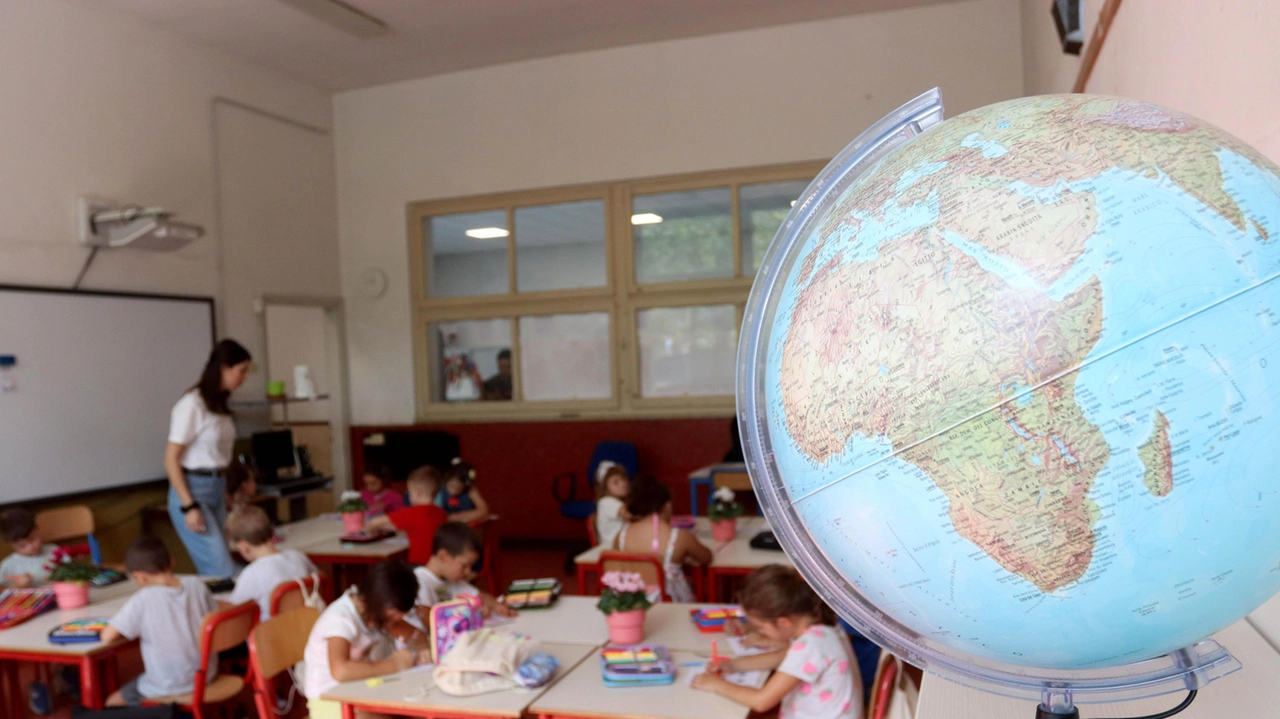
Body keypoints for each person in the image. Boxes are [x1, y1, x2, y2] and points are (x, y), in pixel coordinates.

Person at [692, 564, 862, 719]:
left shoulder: (812, 644)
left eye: (761, 627)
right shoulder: (819, 625)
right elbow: (782, 657)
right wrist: (733, 665)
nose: (760, 632)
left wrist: (717, 685)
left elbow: (761, 701)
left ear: (783, 623)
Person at [165, 339, 251, 578]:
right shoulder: (192, 404)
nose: (244, 378)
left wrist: (229, 493)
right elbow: (171, 460)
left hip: (217, 489)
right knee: (220, 570)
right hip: (193, 492)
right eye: (241, 371)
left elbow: (218, 457)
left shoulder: (220, 406)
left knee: (231, 560)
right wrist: (189, 506)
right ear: (223, 367)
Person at [102, 537, 219, 708]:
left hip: (169, 685)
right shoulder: (197, 584)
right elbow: (213, 615)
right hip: (207, 674)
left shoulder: (143, 599)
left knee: (112, 702)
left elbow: (107, 635)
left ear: (139, 577)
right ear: (172, 563)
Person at [301, 561, 420, 719]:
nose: (394, 623)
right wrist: (395, 664)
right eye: (393, 617)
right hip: (329, 699)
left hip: (356, 689)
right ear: (385, 607)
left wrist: (423, 648)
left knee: (413, 710)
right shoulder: (340, 619)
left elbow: (412, 633)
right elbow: (340, 671)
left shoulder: (372, 608)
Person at [614, 475, 712, 602]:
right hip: (671, 606)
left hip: (632, 603)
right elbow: (706, 558)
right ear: (667, 506)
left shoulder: (621, 535)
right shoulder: (678, 537)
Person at [226, 506, 319, 621]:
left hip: (271, 634)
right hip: (306, 626)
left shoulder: (252, 574)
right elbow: (318, 578)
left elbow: (233, 611)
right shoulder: (298, 556)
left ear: (243, 547)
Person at [411, 522, 514, 619]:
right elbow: (428, 619)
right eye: (464, 566)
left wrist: (497, 606)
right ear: (443, 556)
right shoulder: (420, 580)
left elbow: (480, 597)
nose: (468, 572)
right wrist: (472, 615)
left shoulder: (451, 580)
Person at [365, 466, 447, 566]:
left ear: (418, 493)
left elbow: (373, 522)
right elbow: (414, 527)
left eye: (410, 492)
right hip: (439, 565)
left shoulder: (412, 513)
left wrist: (371, 528)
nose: (409, 496)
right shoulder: (441, 513)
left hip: (418, 566)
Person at [0, 507, 58, 587]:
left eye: (33, 540)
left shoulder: (55, 551)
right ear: (10, 544)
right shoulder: (8, 566)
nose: (31, 547)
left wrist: (59, 579)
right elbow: (5, 594)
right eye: (22, 546)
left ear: (37, 530)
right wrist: (19, 585)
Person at [436, 458, 490, 525]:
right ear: (447, 479)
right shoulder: (440, 490)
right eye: (452, 485)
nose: (454, 490)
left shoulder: (470, 490)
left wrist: (459, 517)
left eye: (458, 487)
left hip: (465, 527)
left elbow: (484, 510)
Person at [594, 462, 631, 548]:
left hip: (621, 545)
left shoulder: (620, 501)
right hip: (612, 548)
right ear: (605, 488)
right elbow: (628, 513)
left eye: (623, 479)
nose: (622, 483)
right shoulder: (606, 502)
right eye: (616, 482)